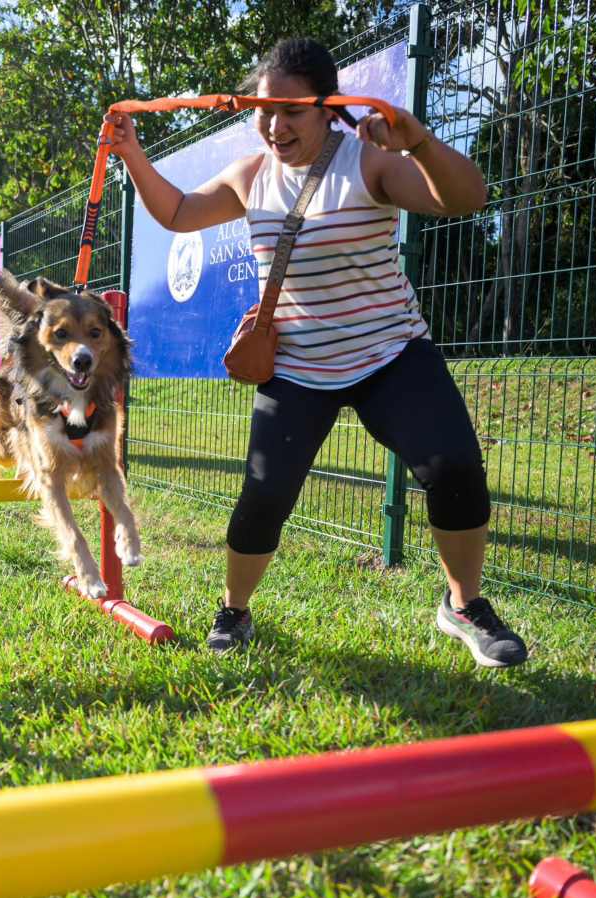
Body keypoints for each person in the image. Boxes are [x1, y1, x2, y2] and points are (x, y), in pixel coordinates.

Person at [103, 37, 528, 667]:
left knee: (455, 468)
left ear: (328, 109)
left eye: (292, 112)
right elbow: (179, 212)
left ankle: (463, 605)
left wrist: (418, 142)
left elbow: (467, 198)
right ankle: (235, 610)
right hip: (299, 368)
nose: (275, 126)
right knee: (262, 498)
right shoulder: (252, 175)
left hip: (390, 353)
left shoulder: (367, 161)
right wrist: (132, 154)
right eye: (264, 110)